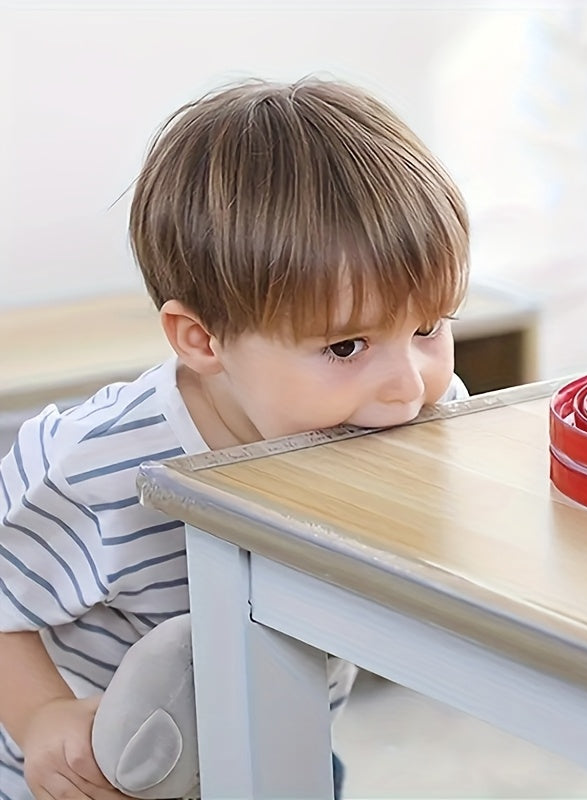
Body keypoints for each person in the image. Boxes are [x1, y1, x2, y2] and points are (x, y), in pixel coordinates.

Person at [0, 77, 470, 800]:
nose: (409, 385)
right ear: (203, 339)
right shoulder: (95, 465)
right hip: (87, 781)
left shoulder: (412, 420)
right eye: (346, 347)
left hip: (280, 743)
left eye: (428, 328)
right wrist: (40, 718)